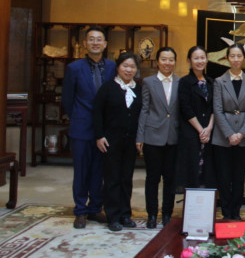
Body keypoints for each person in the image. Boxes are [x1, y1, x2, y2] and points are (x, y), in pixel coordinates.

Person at [62, 26, 116, 229]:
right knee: (82, 170)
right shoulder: (74, 68)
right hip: (82, 128)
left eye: (99, 39)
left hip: (104, 130)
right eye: (91, 39)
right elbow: (68, 100)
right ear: (85, 44)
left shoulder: (112, 67)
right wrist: (78, 117)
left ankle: (95, 208)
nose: (95, 42)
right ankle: (80, 210)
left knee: (98, 170)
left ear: (105, 44)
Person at [93, 51, 143, 232]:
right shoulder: (107, 88)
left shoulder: (139, 89)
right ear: (118, 67)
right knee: (112, 179)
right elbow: (97, 113)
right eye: (125, 66)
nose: (128, 70)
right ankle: (112, 216)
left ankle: (125, 214)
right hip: (110, 142)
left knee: (126, 179)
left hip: (130, 142)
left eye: (132, 67)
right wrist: (99, 136)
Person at [136, 47, 180, 229]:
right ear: (158, 61)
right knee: (152, 178)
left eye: (171, 59)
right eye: (164, 59)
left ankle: (167, 213)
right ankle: (152, 214)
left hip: (173, 137)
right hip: (152, 135)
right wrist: (140, 136)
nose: (167, 63)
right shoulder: (148, 82)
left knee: (170, 178)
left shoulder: (180, 82)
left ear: (175, 62)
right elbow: (144, 109)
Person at [212, 43, 245, 220]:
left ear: (244, 58)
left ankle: (236, 212)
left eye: (239, 56)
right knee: (223, 177)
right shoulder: (219, 81)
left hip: (244, 138)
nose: (236, 59)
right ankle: (226, 211)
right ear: (227, 58)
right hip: (222, 137)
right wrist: (230, 134)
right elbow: (217, 109)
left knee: (238, 177)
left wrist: (241, 133)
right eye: (232, 56)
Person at [176, 46, 214, 191]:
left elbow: (214, 108)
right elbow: (186, 108)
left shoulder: (211, 82)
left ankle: (206, 207)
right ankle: (193, 209)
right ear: (189, 60)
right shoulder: (185, 82)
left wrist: (209, 129)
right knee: (191, 171)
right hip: (191, 133)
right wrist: (200, 130)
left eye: (202, 58)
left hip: (209, 133)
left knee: (207, 171)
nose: (200, 61)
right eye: (196, 58)